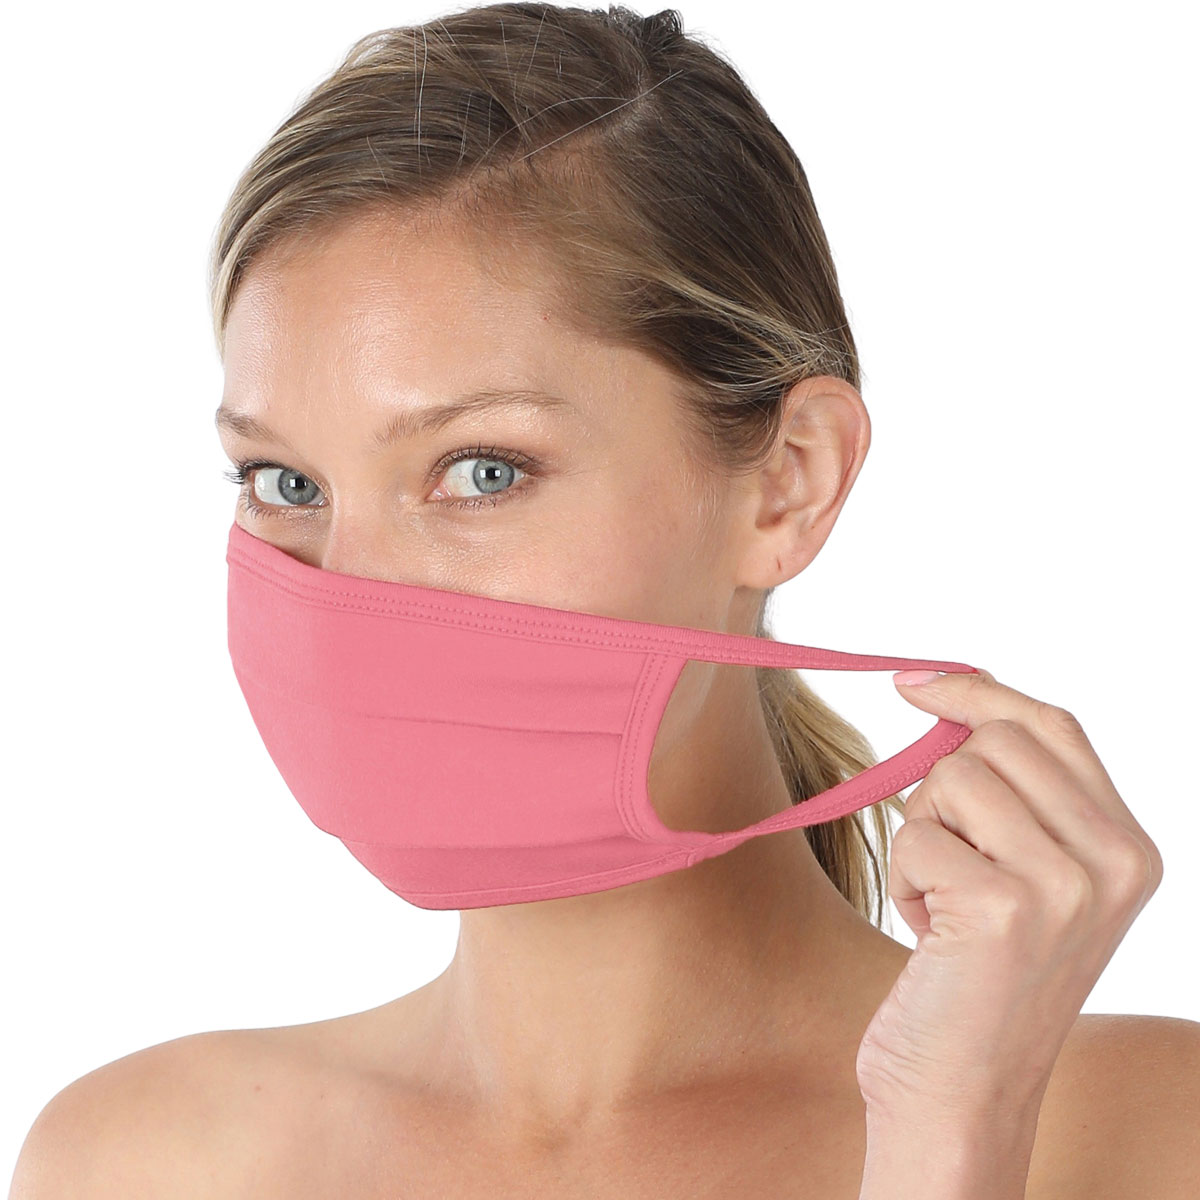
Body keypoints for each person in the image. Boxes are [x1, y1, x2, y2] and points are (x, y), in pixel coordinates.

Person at [10, 5, 1196, 1198]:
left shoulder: (1156, 1134)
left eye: (482, 470)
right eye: (286, 483)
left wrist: (952, 1132)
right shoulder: (134, 1160)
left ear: (788, 482)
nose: (347, 599)